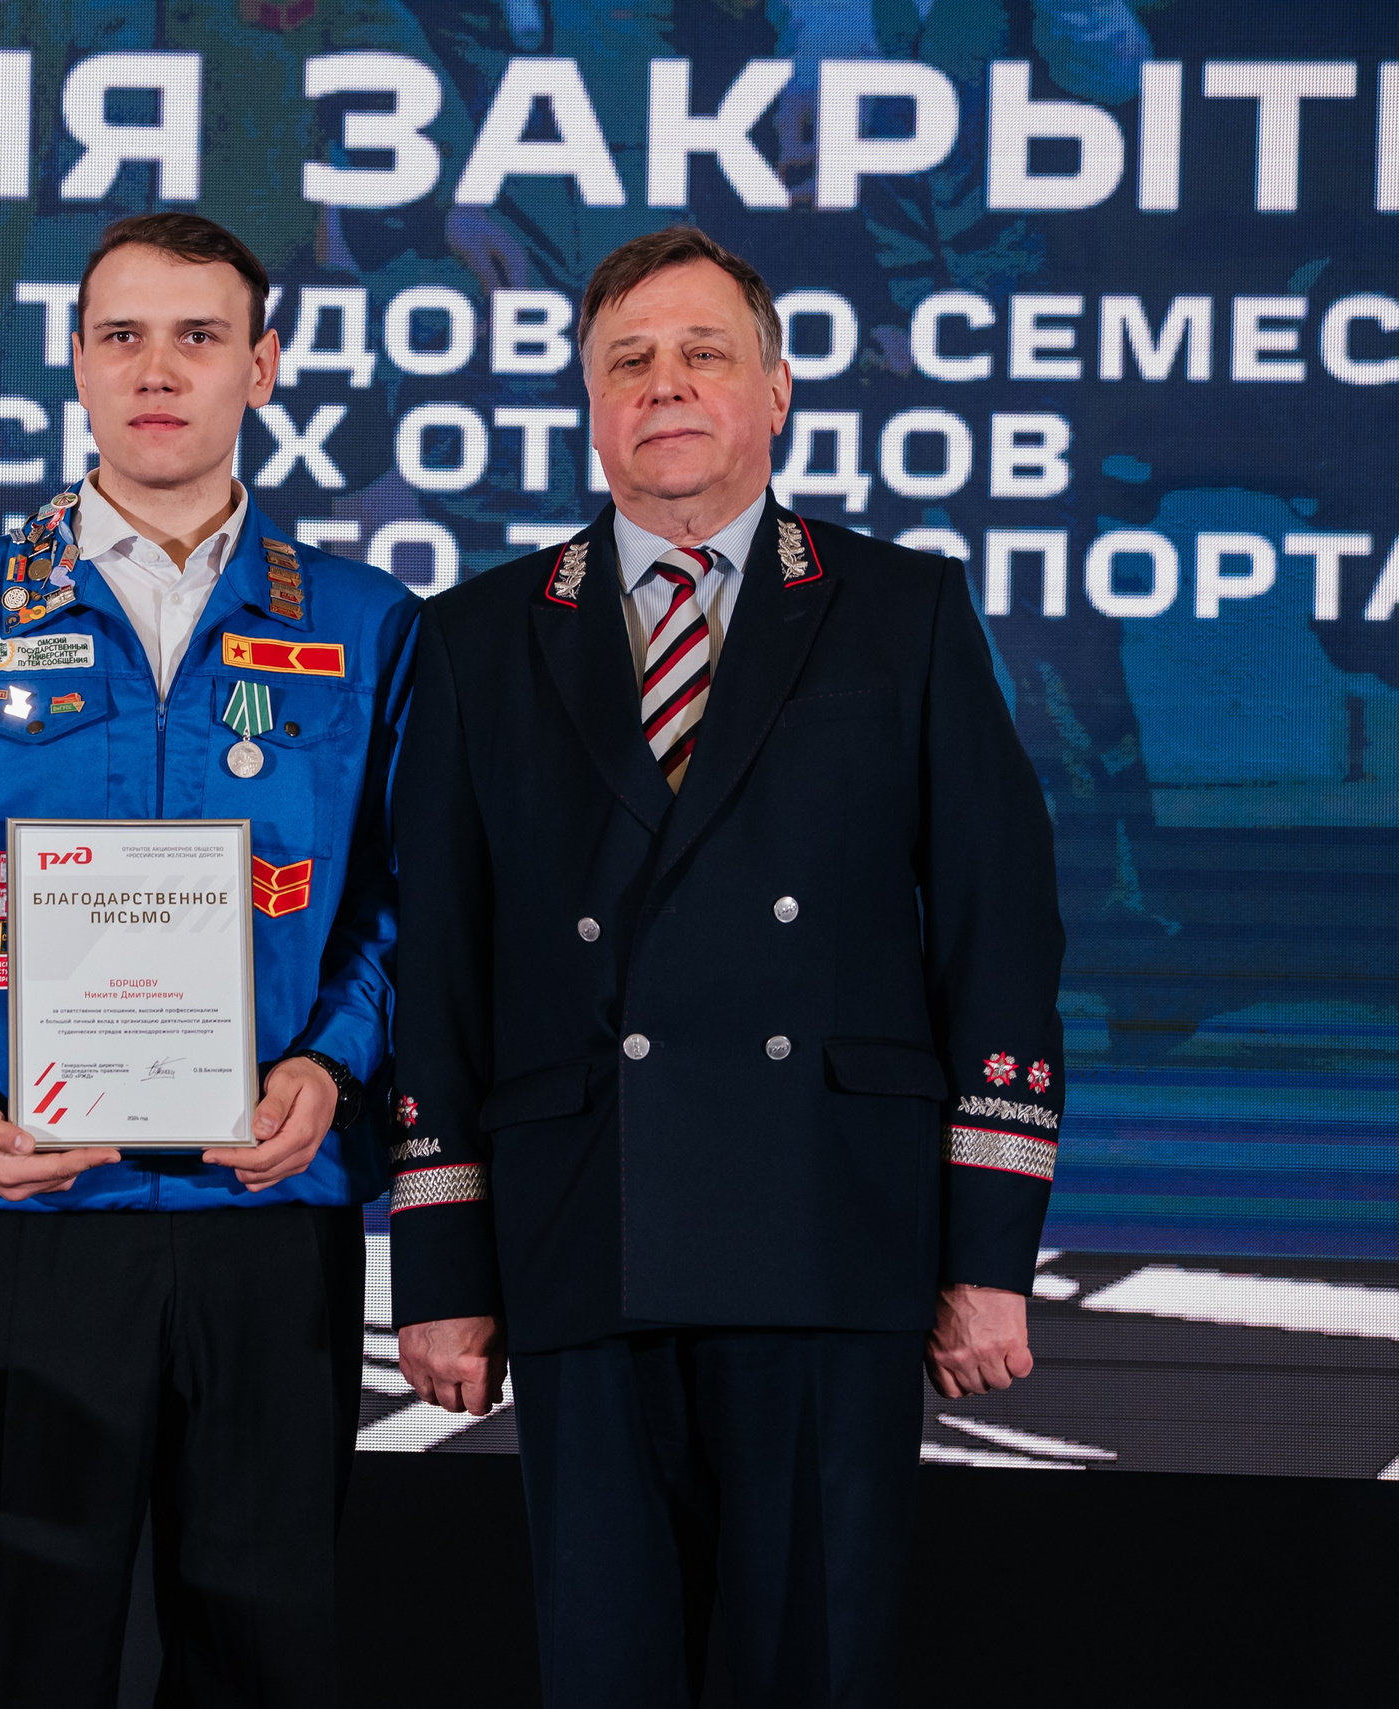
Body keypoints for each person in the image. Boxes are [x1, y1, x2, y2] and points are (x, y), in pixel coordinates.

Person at [387, 226, 1064, 1706]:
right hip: (585, 1227)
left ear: (777, 392)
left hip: (835, 1229)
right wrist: (439, 1261)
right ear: (587, 402)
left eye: (705, 354)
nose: (667, 385)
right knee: (605, 1673)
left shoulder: (908, 611)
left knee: (811, 1667)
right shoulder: (474, 635)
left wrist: (987, 1254)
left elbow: (999, 937)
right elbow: (435, 967)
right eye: (628, 360)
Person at [0, 212, 417, 1708]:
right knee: (21, 1664)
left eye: (198, 336)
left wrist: (336, 1062)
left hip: (274, 1211)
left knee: (265, 1663)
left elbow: (409, 904)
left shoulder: (373, 629)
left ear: (264, 366)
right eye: (120, 335)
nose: (157, 370)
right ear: (74, 364)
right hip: (26, 1209)